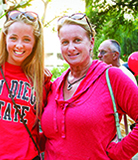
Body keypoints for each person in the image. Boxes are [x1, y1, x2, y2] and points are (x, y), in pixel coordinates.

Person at [41, 13, 138, 159]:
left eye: (77, 40)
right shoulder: (55, 85)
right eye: (65, 42)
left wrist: (120, 153)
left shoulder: (111, 77)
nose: (71, 48)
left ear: (91, 42)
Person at [0, 10, 47, 160]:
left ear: (35, 43)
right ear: (5, 39)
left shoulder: (41, 80)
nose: (19, 45)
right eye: (13, 38)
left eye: (26, 39)